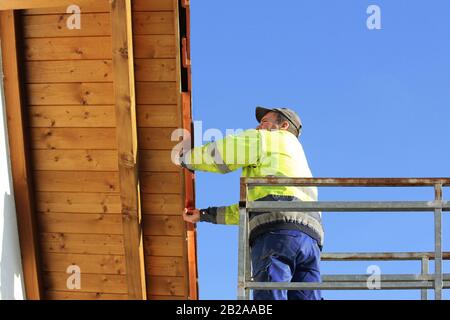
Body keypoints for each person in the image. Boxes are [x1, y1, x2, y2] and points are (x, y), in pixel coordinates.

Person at [176, 106, 323, 300]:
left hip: (277, 232)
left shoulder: (268, 138)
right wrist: (205, 214)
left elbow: (223, 152)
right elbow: (254, 207)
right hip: (311, 240)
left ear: (284, 125)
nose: (258, 126)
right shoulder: (295, 162)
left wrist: (185, 158)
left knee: (269, 294)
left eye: (264, 122)